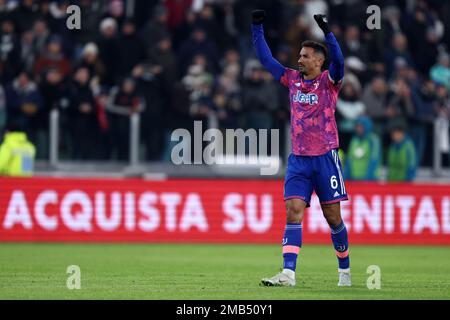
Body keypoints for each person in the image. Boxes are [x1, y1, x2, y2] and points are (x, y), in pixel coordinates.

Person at [252, 11, 350, 287]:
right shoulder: (291, 79)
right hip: (299, 160)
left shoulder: (330, 82)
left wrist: (328, 33)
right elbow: (265, 60)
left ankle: (344, 270)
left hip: (326, 158)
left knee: (333, 218)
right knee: (293, 209)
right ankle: (288, 274)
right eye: (300, 55)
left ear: (319, 61)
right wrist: (257, 27)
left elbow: (340, 61)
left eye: (305, 55)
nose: (299, 59)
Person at [345, 116, 381, 181]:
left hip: (368, 180)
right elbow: (349, 159)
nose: (358, 129)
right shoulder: (354, 140)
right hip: (354, 179)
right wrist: (346, 176)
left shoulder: (373, 140)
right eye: (357, 126)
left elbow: (374, 159)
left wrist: (369, 178)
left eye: (361, 127)